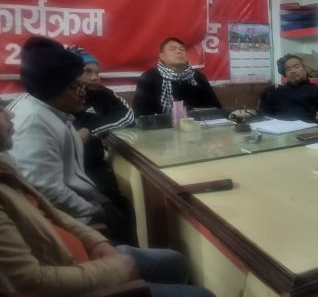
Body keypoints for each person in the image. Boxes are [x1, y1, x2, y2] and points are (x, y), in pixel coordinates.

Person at [0, 105, 214, 297]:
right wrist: (116, 269)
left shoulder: (4, 166)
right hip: (70, 275)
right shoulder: (32, 123)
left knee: (175, 261)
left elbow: (52, 214)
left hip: (79, 251)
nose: (10, 113)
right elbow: (30, 281)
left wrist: (97, 241)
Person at [8, 37, 131, 243]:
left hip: (79, 202)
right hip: (65, 223)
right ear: (54, 89)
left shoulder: (55, 112)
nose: (83, 94)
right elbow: (46, 191)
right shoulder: (32, 124)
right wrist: (95, 210)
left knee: (122, 207)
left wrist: (98, 200)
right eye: (76, 88)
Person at [69, 46, 134, 196]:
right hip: (62, 168)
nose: (94, 77)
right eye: (87, 71)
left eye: (97, 72)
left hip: (92, 165)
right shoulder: (58, 97)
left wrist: (90, 130)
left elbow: (127, 116)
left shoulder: (103, 94)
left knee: (116, 199)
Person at [133, 37, 221, 116]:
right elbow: (140, 113)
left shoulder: (198, 77)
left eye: (182, 49)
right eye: (172, 49)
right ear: (162, 56)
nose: (179, 52)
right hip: (161, 127)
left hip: (197, 125)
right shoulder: (149, 78)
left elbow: (216, 107)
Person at [259, 54, 318, 123]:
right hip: (279, 130)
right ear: (285, 74)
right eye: (288, 69)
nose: (293, 71)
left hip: (309, 130)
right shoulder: (276, 92)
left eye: (296, 67)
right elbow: (265, 115)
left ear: (305, 69)